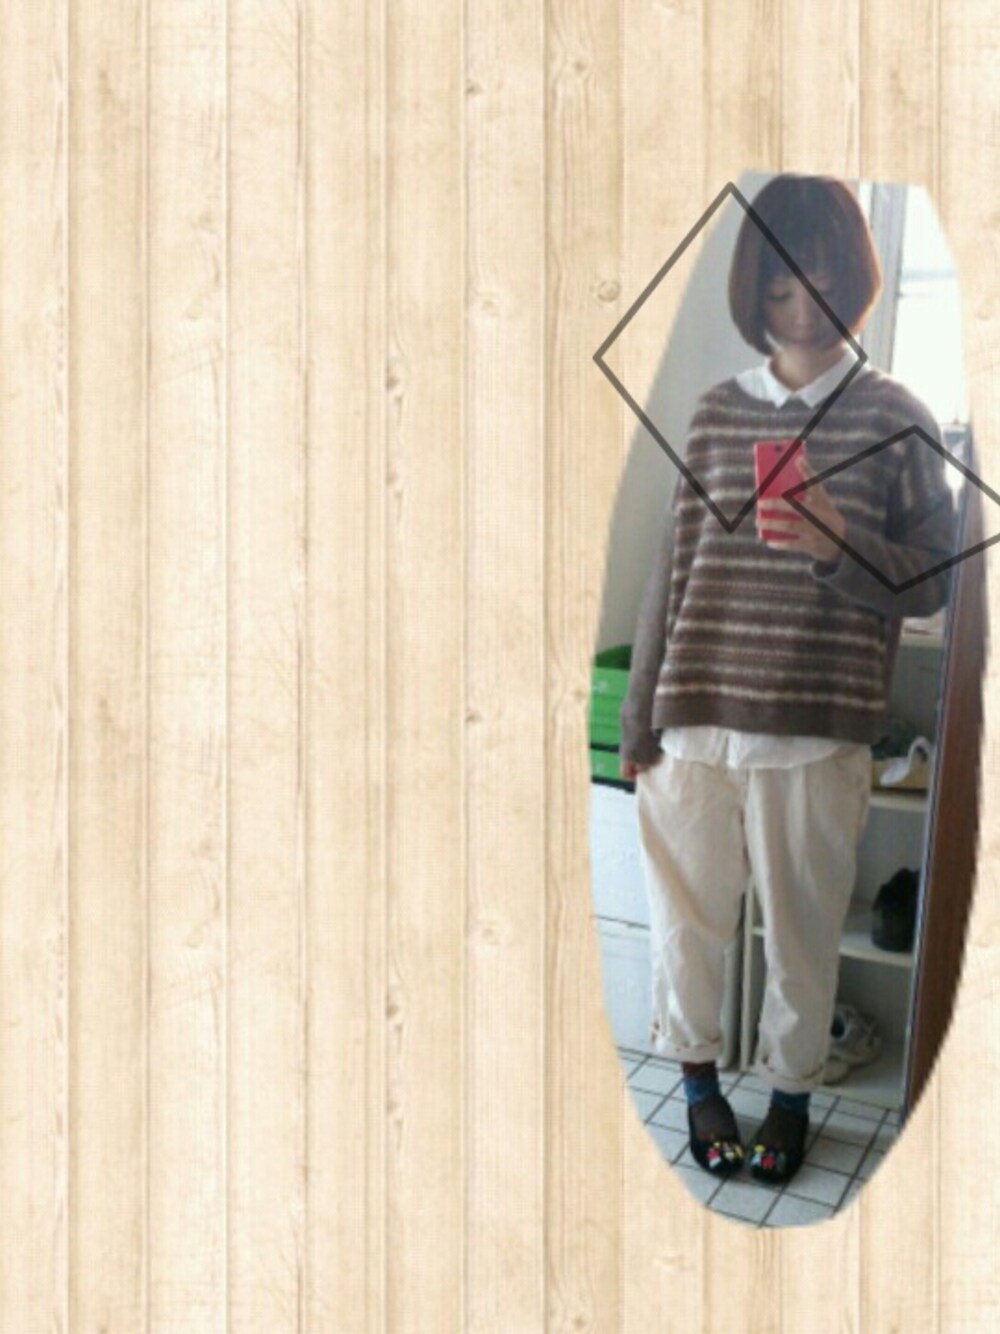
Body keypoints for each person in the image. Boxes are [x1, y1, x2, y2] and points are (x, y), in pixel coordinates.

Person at [618, 173, 958, 1185]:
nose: (799, 303)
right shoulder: (716, 413)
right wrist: (639, 718)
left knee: (803, 939)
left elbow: (935, 579)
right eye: (777, 281)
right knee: (687, 931)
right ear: (753, 289)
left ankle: (792, 1096)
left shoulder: (899, 416)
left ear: (854, 274)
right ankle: (698, 1087)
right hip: (694, 725)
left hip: (815, 730)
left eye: (819, 275)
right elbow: (671, 570)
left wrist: (836, 541)